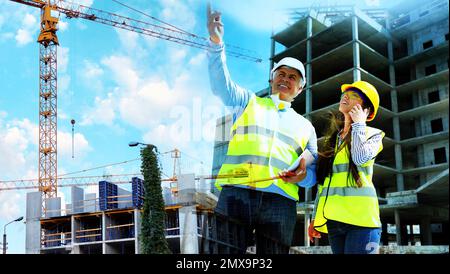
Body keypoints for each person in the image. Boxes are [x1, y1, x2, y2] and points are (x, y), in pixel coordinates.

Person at [207, 4, 318, 254]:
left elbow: (312, 174)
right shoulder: (248, 102)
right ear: (271, 79)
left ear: (300, 89)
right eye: (281, 73)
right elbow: (220, 85)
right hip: (237, 194)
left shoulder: (306, 126)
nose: (285, 79)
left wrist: (302, 177)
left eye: (293, 77)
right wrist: (216, 43)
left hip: (280, 203)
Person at [309, 80, 384, 254]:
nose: (346, 96)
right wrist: (315, 218)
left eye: (355, 95)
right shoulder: (333, 140)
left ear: (367, 110)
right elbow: (324, 183)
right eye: (345, 94)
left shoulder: (373, 134)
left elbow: (359, 158)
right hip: (335, 222)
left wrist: (358, 124)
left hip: (362, 222)